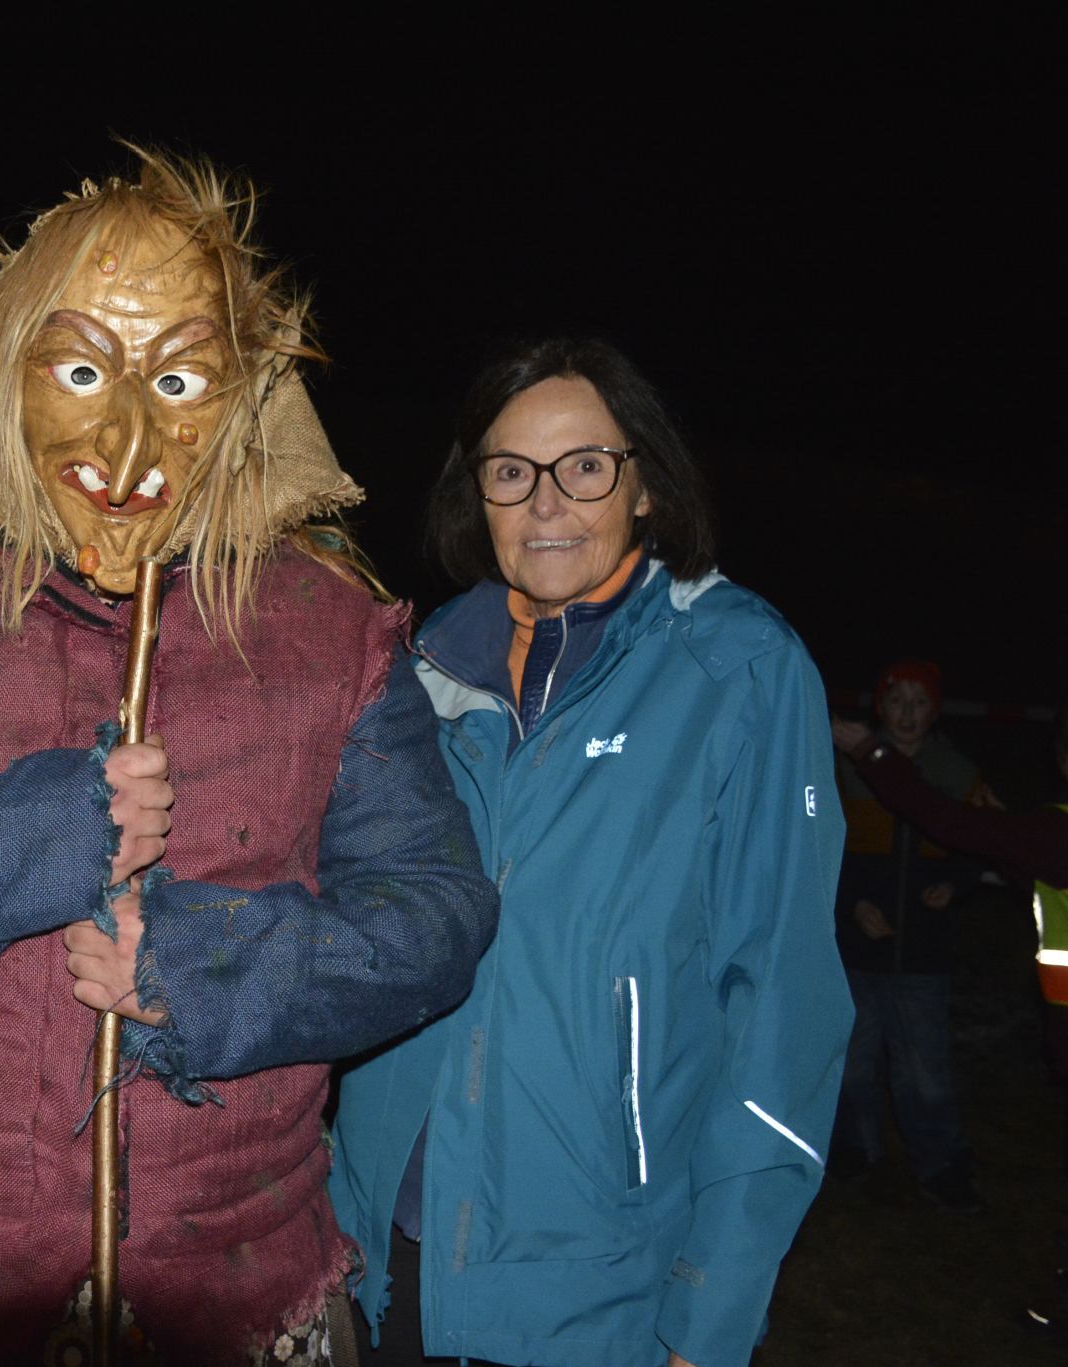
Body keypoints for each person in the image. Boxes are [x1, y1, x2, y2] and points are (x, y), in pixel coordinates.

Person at [0, 149, 499, 1366]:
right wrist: (29, 838)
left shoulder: (330, 630)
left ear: (242, 397)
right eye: (80, 368)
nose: (131, 435)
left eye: (181, 375)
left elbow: (437, 912)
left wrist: (208, 961)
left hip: (238, 1293)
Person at [328, 338, 850, 1367]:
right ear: (474, 491)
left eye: (583, 465)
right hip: (376, 1256)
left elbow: (781, 1008)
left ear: (642, 482)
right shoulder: (418, 669)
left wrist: (711, 1305)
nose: (544, 502)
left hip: (594, 1278)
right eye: (510, 470)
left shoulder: (734, 667)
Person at [830, 659, 991, 1208]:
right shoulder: (848, 768)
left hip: (924, 951)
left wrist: (955, 883)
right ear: (880, 707)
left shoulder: (955, 771)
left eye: (919, 703)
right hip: (857, 950)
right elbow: (826, 851)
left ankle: (941, 1162)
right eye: (896, 701)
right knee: (851, 1061)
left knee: (924, 1068)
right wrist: (854, 904)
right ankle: (855, 1147)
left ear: (936, 711)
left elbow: (984, 841)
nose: (907, 714)